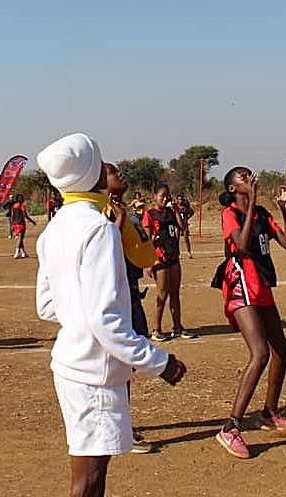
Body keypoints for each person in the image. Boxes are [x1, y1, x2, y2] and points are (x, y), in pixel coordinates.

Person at [36, 132, 186, 497]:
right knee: (89, 481)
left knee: (88, 477)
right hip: (94, 373)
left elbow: (47, 305)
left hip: (71, 366)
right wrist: (160, 363)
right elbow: (105, 321)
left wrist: (78, 312)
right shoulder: (99, 229)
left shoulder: (54, 228)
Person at [211, 167, 286, 459]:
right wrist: (252, 204)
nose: (249, 178)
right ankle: (231, 427)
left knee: (281, 350)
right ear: (233, 189)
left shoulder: (261, 213)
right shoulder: (231, 214)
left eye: (249, 174)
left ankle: (269, 413)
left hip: (260, 283)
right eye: (242, 177)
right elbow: (242, 245)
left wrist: (285, 211)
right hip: (241, 282)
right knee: (260, 353)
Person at [98, 162, 158, 454]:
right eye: (113, 172)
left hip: (132, 294)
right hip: (116, 298)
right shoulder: (102, 213)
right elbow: (105, 253)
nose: (120, 175)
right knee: (118, 363)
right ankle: (119, 426)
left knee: (128, 363)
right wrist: (120, 220)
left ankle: (121, 419)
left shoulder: (126, 211)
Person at [142, 185, 194, 341]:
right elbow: (147, 240)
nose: (166, 199)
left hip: (173, 256)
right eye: (162, 196)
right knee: (162, 294)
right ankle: (156, 329)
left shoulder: (171, 212)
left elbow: (182, 227)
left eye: (168, 196)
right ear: (155, 197)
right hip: (160, 258)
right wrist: (149, 263)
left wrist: (176, 211)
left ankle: (177, 327)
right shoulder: (150, 214)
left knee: (175, 293)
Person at [11, 194, 37, 259]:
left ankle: (23, 253)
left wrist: (12, 224)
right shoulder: (21, 206)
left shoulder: (14, 206)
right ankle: (17, 252)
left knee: (21, 239)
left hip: (15, 224)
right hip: (20, 223)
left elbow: (12, 215)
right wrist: (32, 221)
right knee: (20, 239)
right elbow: (25, 215)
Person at [176, 195, 195, 259]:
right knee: (176, 240)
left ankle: (189, 252)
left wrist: (187, 218)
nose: (180, 201)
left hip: (184, 225)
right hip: (177, 225)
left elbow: (192, 212)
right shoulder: (176, 207)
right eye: (179, 199)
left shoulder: (185, 207)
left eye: (181, 199)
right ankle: (177, 253)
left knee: (186, 239)